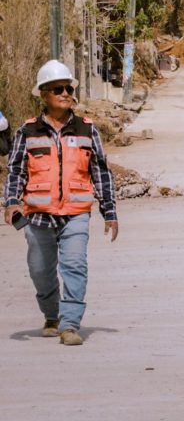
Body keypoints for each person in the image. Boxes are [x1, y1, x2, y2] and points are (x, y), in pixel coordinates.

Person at [3, 60, 119, 346]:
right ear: (44, 94)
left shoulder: (87, 130)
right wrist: (12, 202)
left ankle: (70, 325)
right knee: (40, 271)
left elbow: (100, 171)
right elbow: (16, 170)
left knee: (75, 266)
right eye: (58, 89)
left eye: (68, 88)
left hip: (75, 213)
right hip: (38, 215)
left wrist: (109, 211)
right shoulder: (27, 131)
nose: (65, 93)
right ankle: (51, 315)